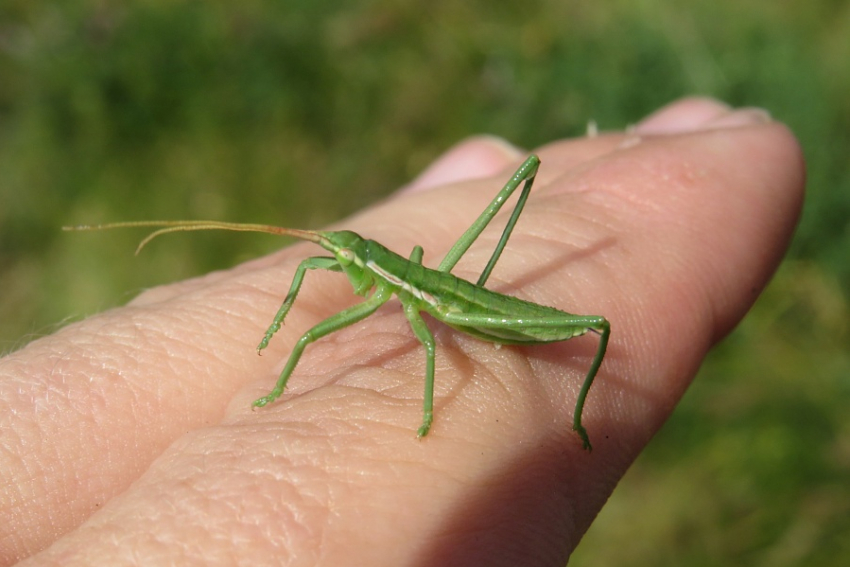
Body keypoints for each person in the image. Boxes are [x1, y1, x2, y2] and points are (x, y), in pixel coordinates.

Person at [0, 98, 804, 565]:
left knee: (502, 325)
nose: (335, 261)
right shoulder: (345, 264)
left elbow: (422, 341)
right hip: (428, 280)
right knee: (334, 318)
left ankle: (569, 403)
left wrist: (413, 412)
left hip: (465, 306)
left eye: (342, 252)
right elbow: (324, 271)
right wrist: (289, 305)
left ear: (362, 259)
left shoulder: (396, 294)